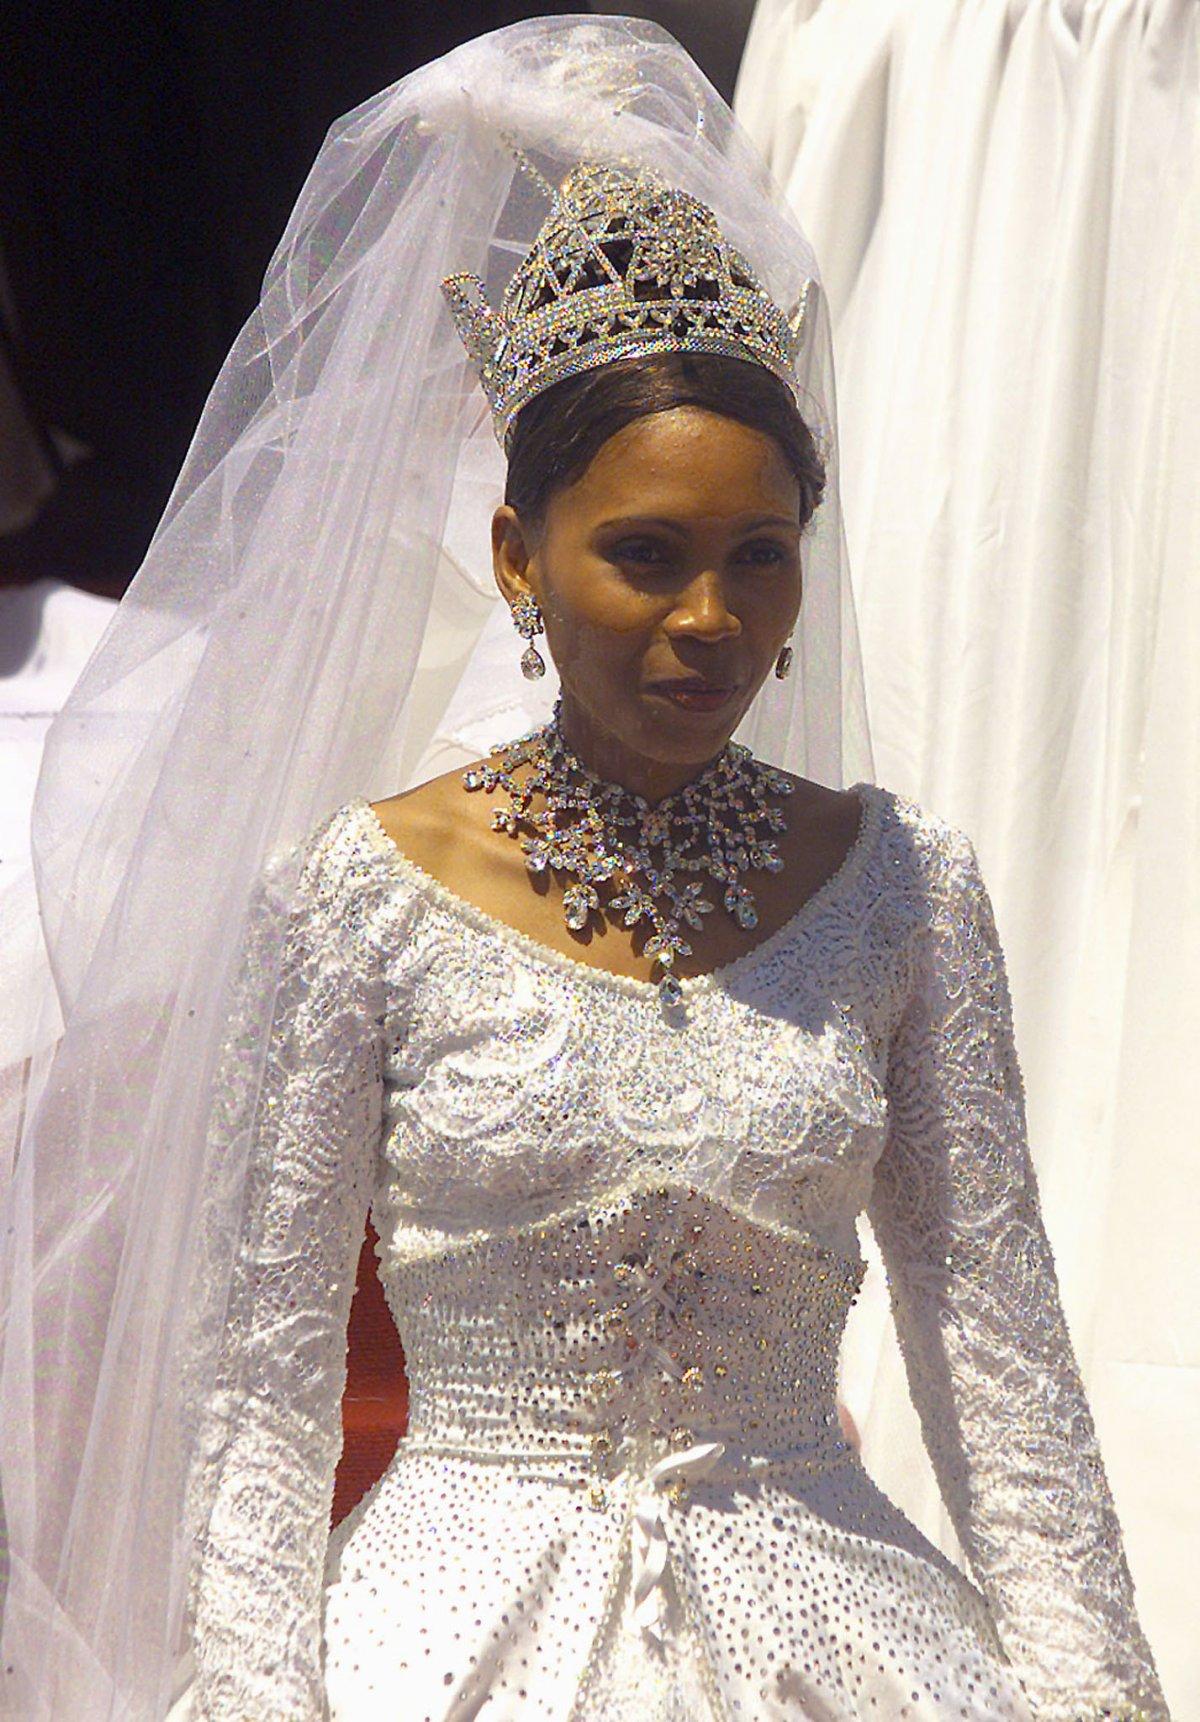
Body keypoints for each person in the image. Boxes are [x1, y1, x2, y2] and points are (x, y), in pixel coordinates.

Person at [0, 17, 1168, 1721]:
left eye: (758, 559)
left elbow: (1007, 1384)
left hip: (843, 1643)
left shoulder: (905, 888)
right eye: (645, 554)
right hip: (440, 1646)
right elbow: (259, 1405)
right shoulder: (354, 898)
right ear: (516, 555)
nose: (712, 618)